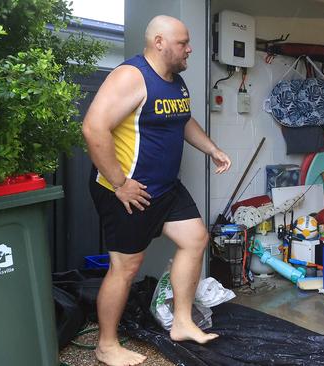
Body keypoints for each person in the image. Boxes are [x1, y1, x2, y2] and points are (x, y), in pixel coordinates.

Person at [82, 15, 232, 366]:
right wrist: (120, 183)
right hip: (128, 190)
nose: (189, 48)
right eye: (183, 43)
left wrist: (212, 149)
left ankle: (181, 322)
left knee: (195, 239)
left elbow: (182, 119)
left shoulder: (175, 82)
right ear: (160, 42)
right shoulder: (131, 77)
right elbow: (93, 128)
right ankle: (106, 345)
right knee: (126, 266)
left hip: (165, 187)